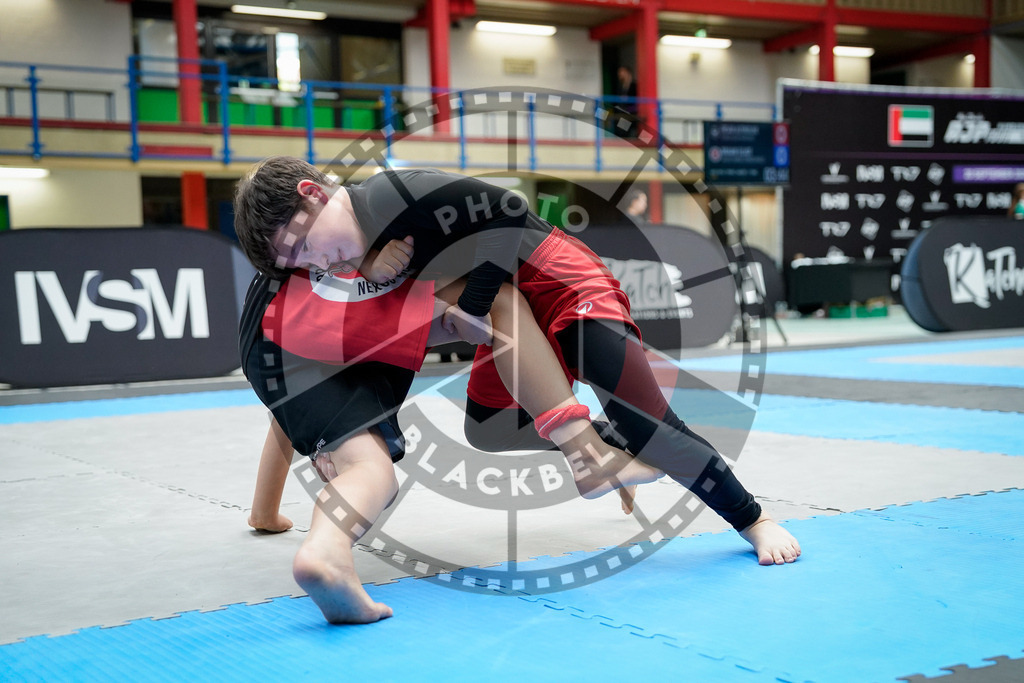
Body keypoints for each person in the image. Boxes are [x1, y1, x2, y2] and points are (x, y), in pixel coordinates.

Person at [234, 155, 800, 570]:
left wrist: (472, 305)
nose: (316, 263)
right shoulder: (360, 252)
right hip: (516, 316)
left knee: (650, 426)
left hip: (561, 284)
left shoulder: (387, 194)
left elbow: (509, 210)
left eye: (306, 246)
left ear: (314, 192)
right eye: (300, 263)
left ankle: (753, 519)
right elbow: (301, 384)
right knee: (488, 427)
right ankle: (605, 449)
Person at [611, 65, 639, 137]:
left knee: (631, 131)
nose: (619, 74)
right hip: (622, 113)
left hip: (631, 112)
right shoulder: (620, 86)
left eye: (621, 72)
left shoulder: (635, 85)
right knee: (622, 133)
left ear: (627, 72)